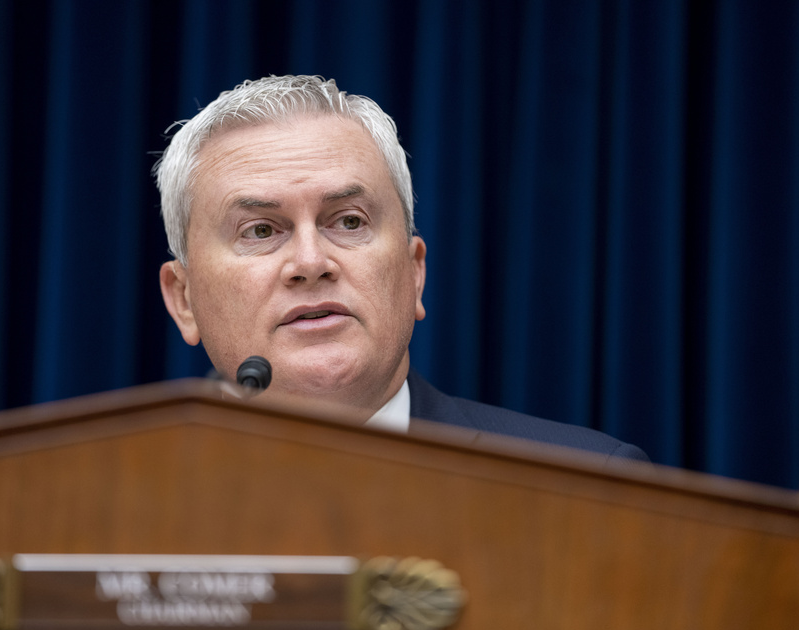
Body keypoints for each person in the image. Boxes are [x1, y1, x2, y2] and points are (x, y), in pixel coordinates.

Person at [154, 75, 647, 464]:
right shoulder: (104, 496)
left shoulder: (586, 485)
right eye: (260, 231)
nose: (310, 263)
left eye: (349, 221)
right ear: (184, 299)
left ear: (414, 273)